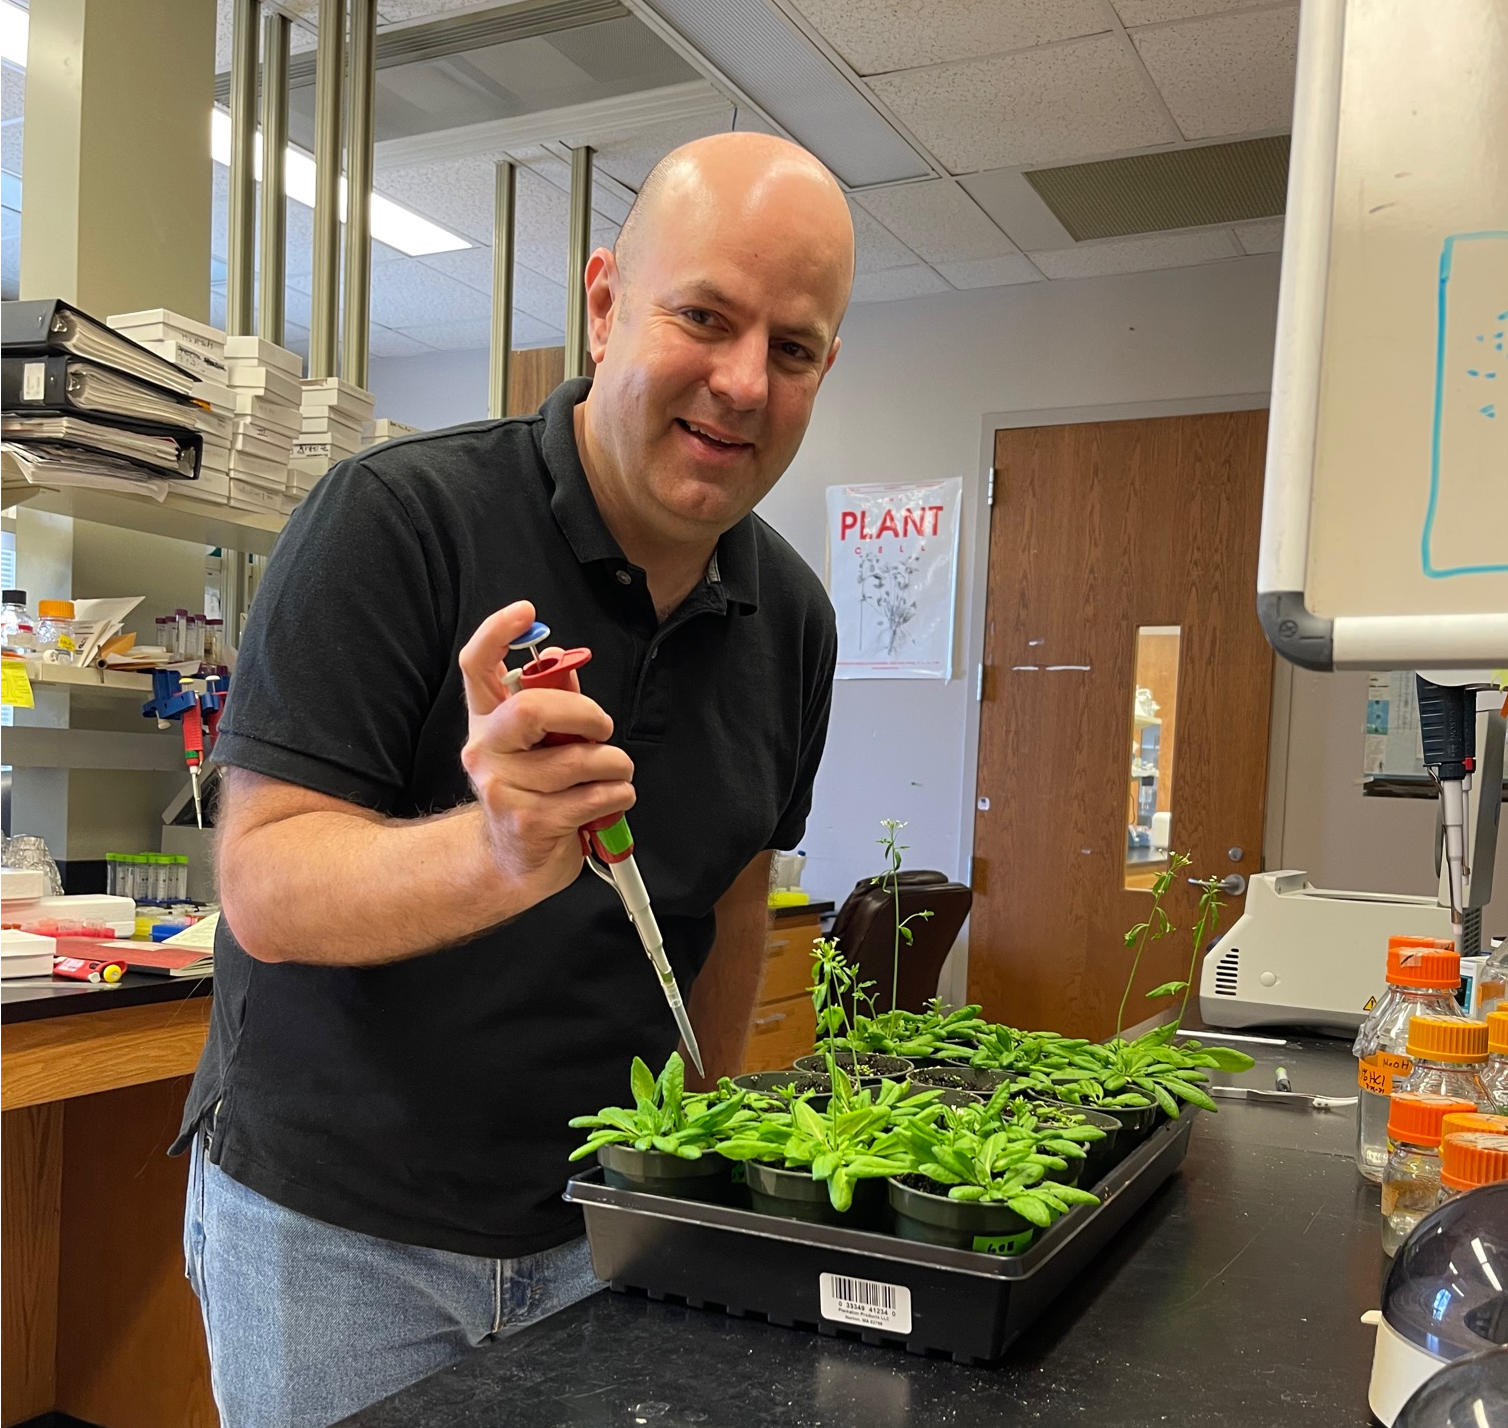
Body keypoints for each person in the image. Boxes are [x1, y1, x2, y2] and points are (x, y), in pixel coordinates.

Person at [177, 131, 855, 1427]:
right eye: (702, 316)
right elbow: (265, 883)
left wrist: (694, 1160)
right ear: (604, 303)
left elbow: (731, 901)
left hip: (611, 1238)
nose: (741, 382)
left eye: (794, 347)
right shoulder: (392, 522)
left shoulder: (799, 622)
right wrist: (493, 853)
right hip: (337, 1240)